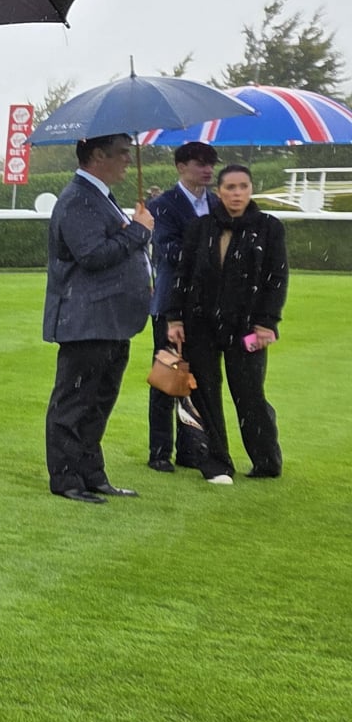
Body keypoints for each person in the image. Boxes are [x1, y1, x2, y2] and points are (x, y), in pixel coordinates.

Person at [42, 134, 155, 503]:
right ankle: (67, 479)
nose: (127, 160)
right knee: (74, 403)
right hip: (86, 320)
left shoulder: (99, 197)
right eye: (121, 154)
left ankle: (92, 474)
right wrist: (138, 232)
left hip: (108, 320)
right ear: (96, 156)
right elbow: (91, 255)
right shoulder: (78, 199)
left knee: (98, 403)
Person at [165, 163, 287, 484]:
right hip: (200, 323)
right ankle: (217, 462)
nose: (236, 193)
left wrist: (266, 323)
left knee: (249, 394)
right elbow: (183, 275)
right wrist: (175, 318)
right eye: (230, 188)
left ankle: (265, 459)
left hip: (247, 327)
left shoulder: (269, 228)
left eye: (242, 187)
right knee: (205, 392)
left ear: (251, 189)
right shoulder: (200, 228)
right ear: (219, 192)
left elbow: (276, 279)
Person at [145, 141, 218, 473]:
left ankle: (191, 449)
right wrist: (209, 254)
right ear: (180, 167)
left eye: (211, 163)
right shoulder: (163, 206)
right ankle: (159, 450)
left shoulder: (217, 203)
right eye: (200, 163)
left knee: (197, 378)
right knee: (167, 375)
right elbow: (167, 250)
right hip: (171, 303)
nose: (207, 169)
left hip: (207, 306)